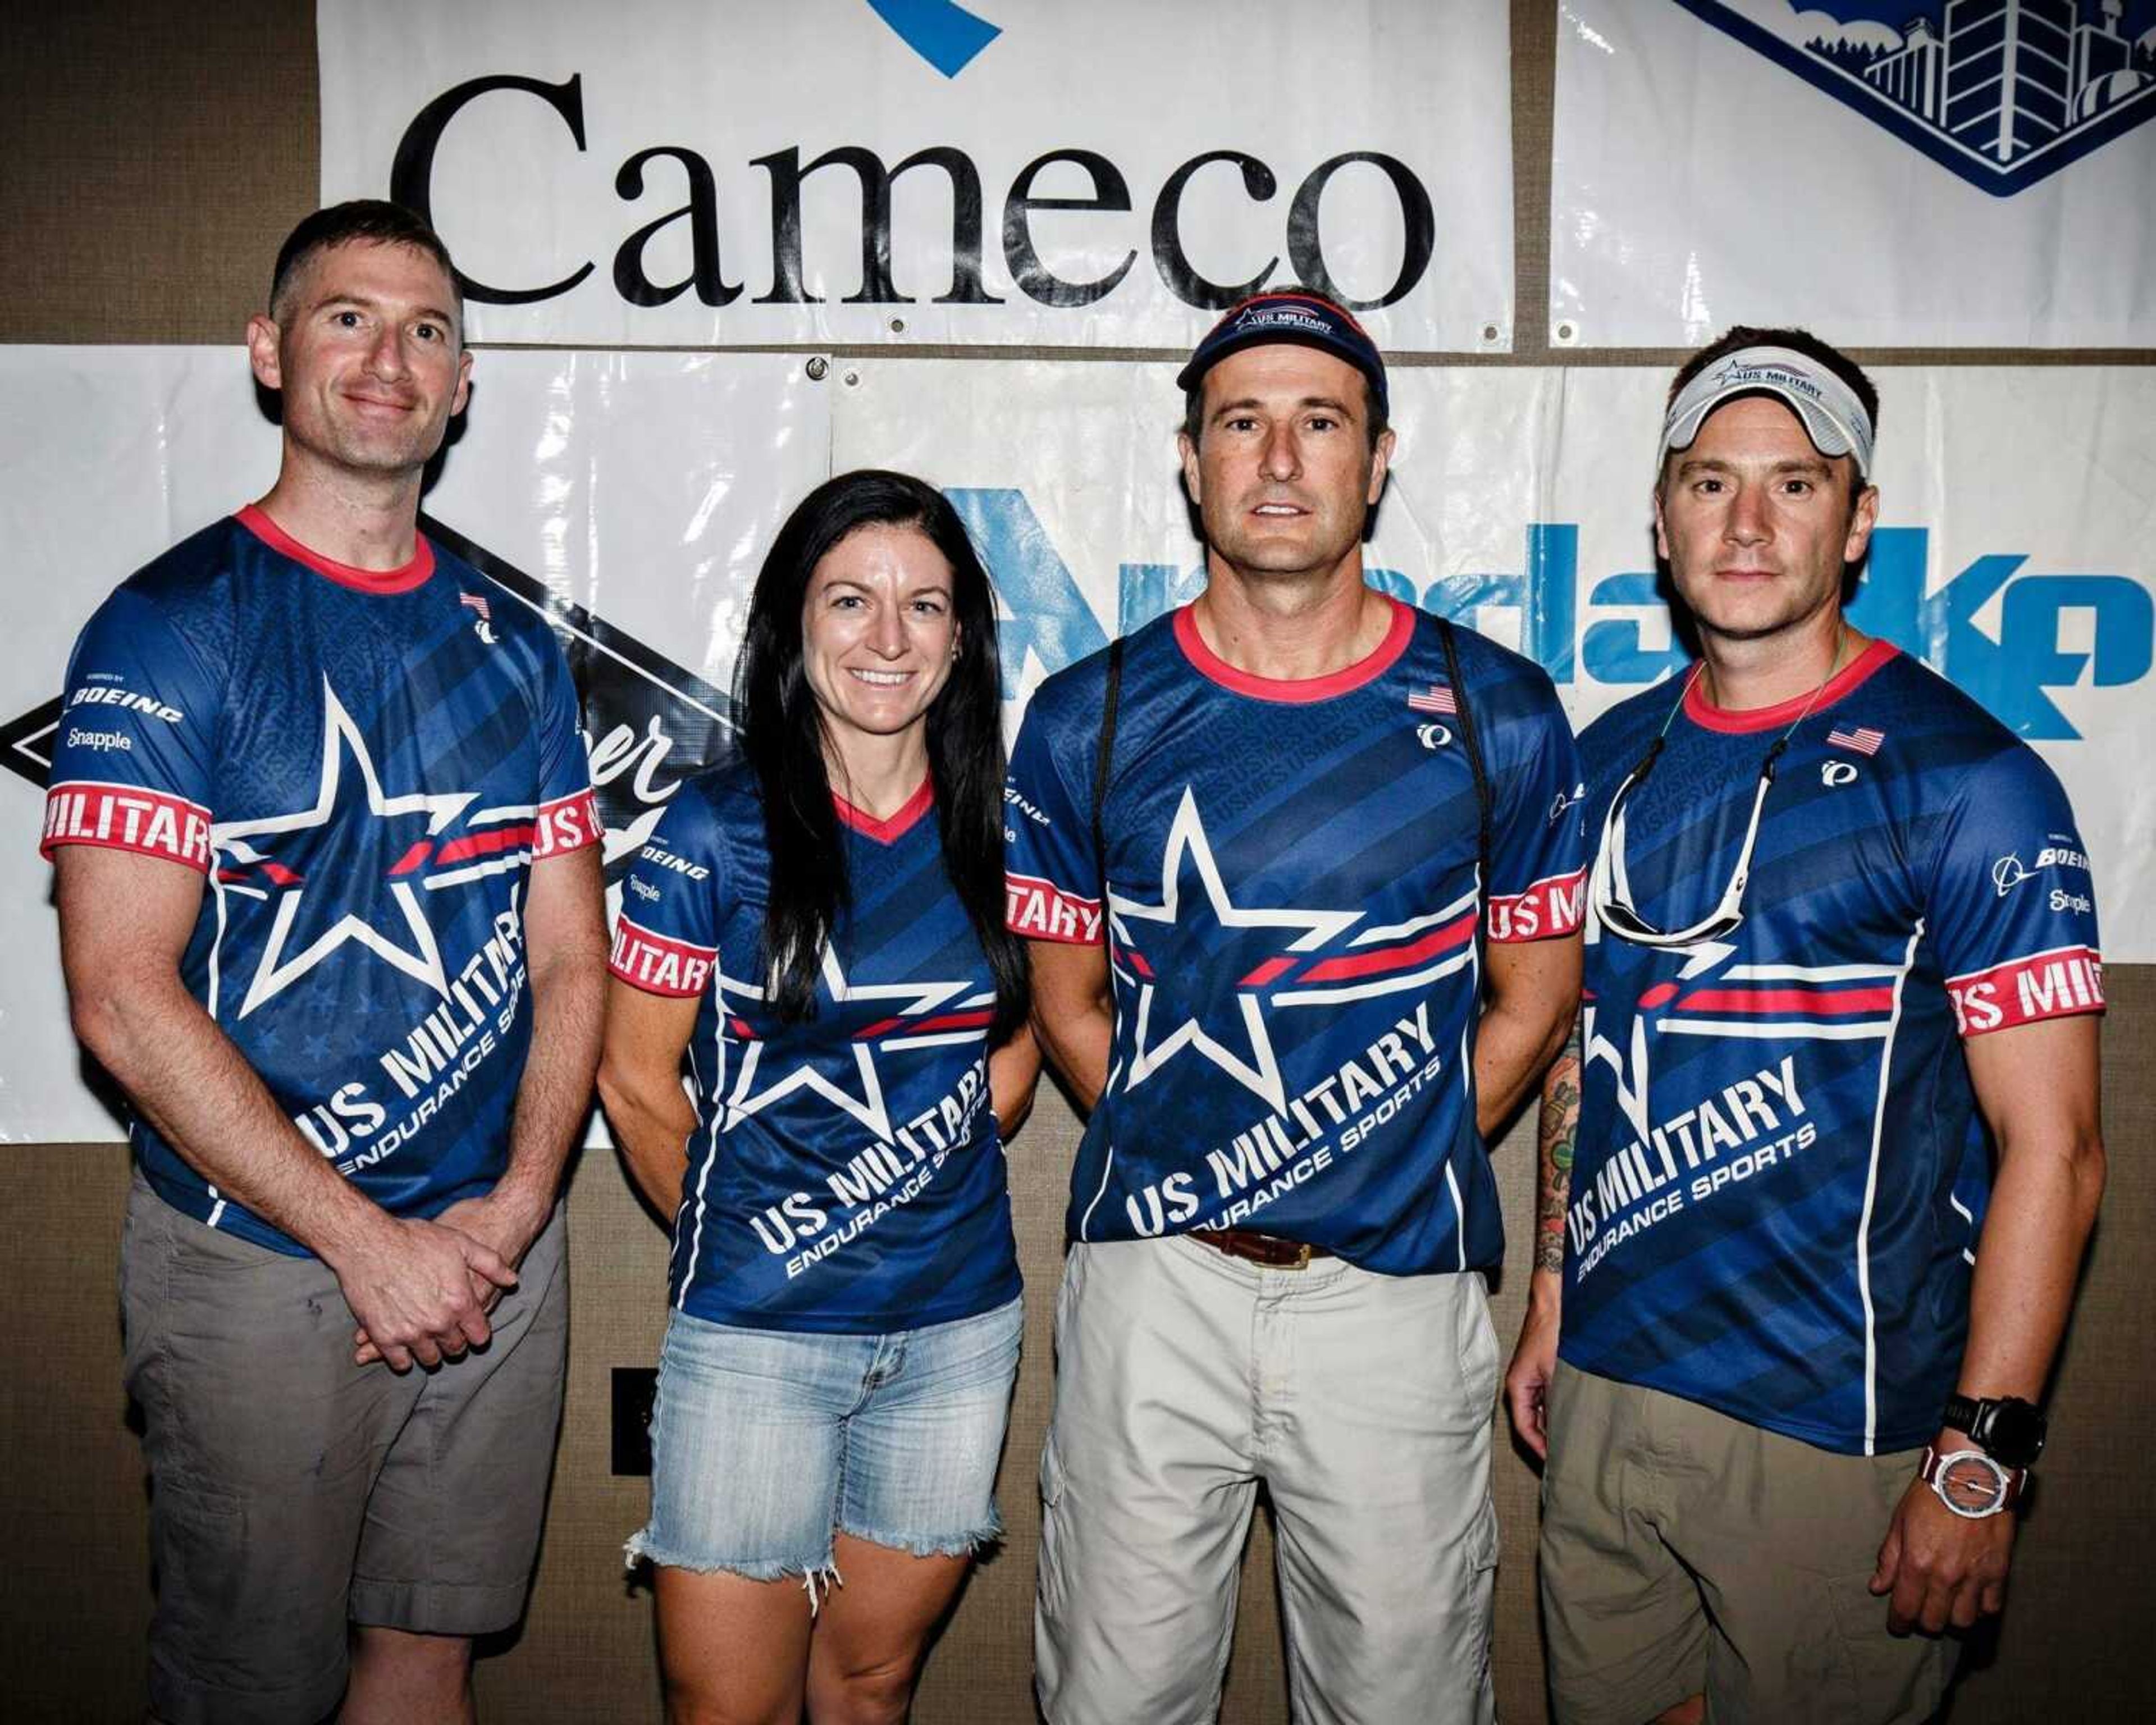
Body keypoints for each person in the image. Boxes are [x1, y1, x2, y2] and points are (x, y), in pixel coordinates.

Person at [43, 199, 609, 1724]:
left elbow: (569, 952)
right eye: (347, 317)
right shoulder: (169, 628)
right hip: (261, 1264)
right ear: (267, 353)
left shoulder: (517, 648)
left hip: (496, 1251)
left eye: (428, 329)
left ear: (465, 384)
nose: (388, 358)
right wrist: (364, 1240)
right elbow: (118, 989)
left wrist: (518, 1201)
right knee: (248, 1686)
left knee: (427, 1658)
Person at [1505, 329, 2108, 1725]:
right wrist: (1552, 1292)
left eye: (1794, 483)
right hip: (1608, 1394)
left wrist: (1981, 1458)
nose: (1750, 524)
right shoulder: (1605, 761)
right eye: (1712, 483)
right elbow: (1586, 1055)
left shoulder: (1972, 782)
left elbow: (2057, 1152)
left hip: (1837, 1430)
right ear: (1662, 518)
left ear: (1858, 524)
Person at [1004, 288, 1587, 1724]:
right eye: (1241, 423)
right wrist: (1192, 1143)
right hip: (1156, 1282)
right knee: (1113, 1702)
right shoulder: (1088, 716)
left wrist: (1395, 1138)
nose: (1278, 459)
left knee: (1405, 1700)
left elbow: (1538, 996)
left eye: (1319, 423)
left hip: (1398, 1294)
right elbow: (1069, 1000)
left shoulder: (1498, 707)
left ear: (1377, 459)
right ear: (1190, 459)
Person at [597, 469, 1040, 1725]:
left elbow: (1013, 1064)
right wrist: (753, 1248)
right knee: (729, 1709)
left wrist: (924, 1159)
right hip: (755, 1345)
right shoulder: (715, 829)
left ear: (964, 637)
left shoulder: (1008, 834)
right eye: (851, 601)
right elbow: (635, 1079)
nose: (888, 639)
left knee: (872, 1685)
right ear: (796, 622)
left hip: (956, 1341)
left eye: (925, 606)